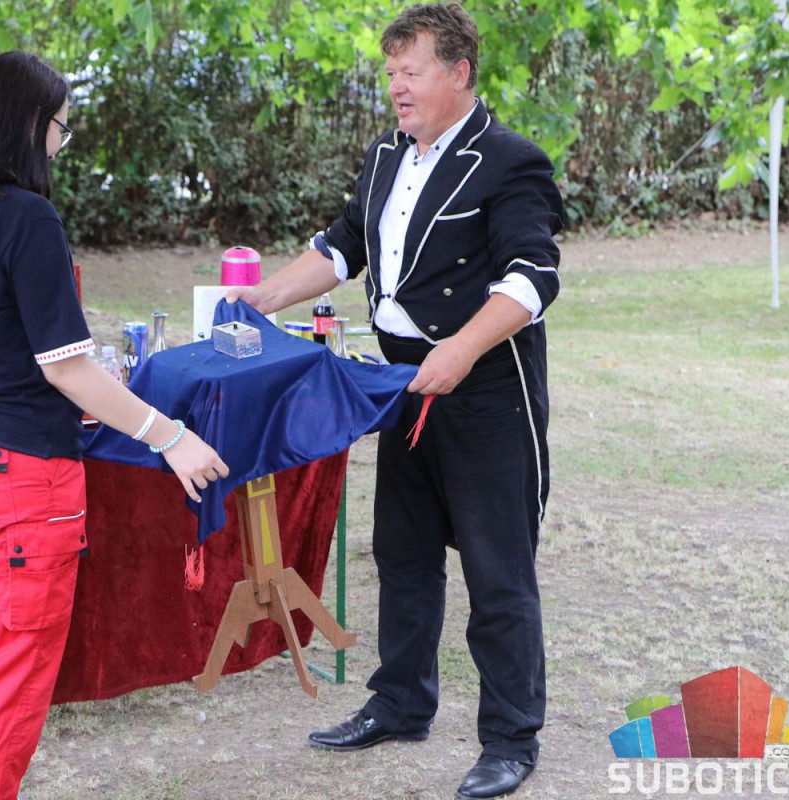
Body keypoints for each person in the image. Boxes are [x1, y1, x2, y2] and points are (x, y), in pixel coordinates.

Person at [228, 4, 563, 798]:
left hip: (486, 388)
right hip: (402, 383)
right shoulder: (385, 154)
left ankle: (511, 739)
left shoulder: (510, 161)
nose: (397, 88)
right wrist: (261, 299)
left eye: (411, 72)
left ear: (459, 73)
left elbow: (533, 279)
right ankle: (401, 704)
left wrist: (462, 349)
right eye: (390, 74)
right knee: (403, 555)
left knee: (497, 571)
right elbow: (343, 245)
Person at [0, 51, 229, 800]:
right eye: (60, 129)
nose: (59, 145)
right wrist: (172, 437)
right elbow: (67, 370)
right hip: (7, 474)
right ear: (28, 124)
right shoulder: (26, 219)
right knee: (6, 668)